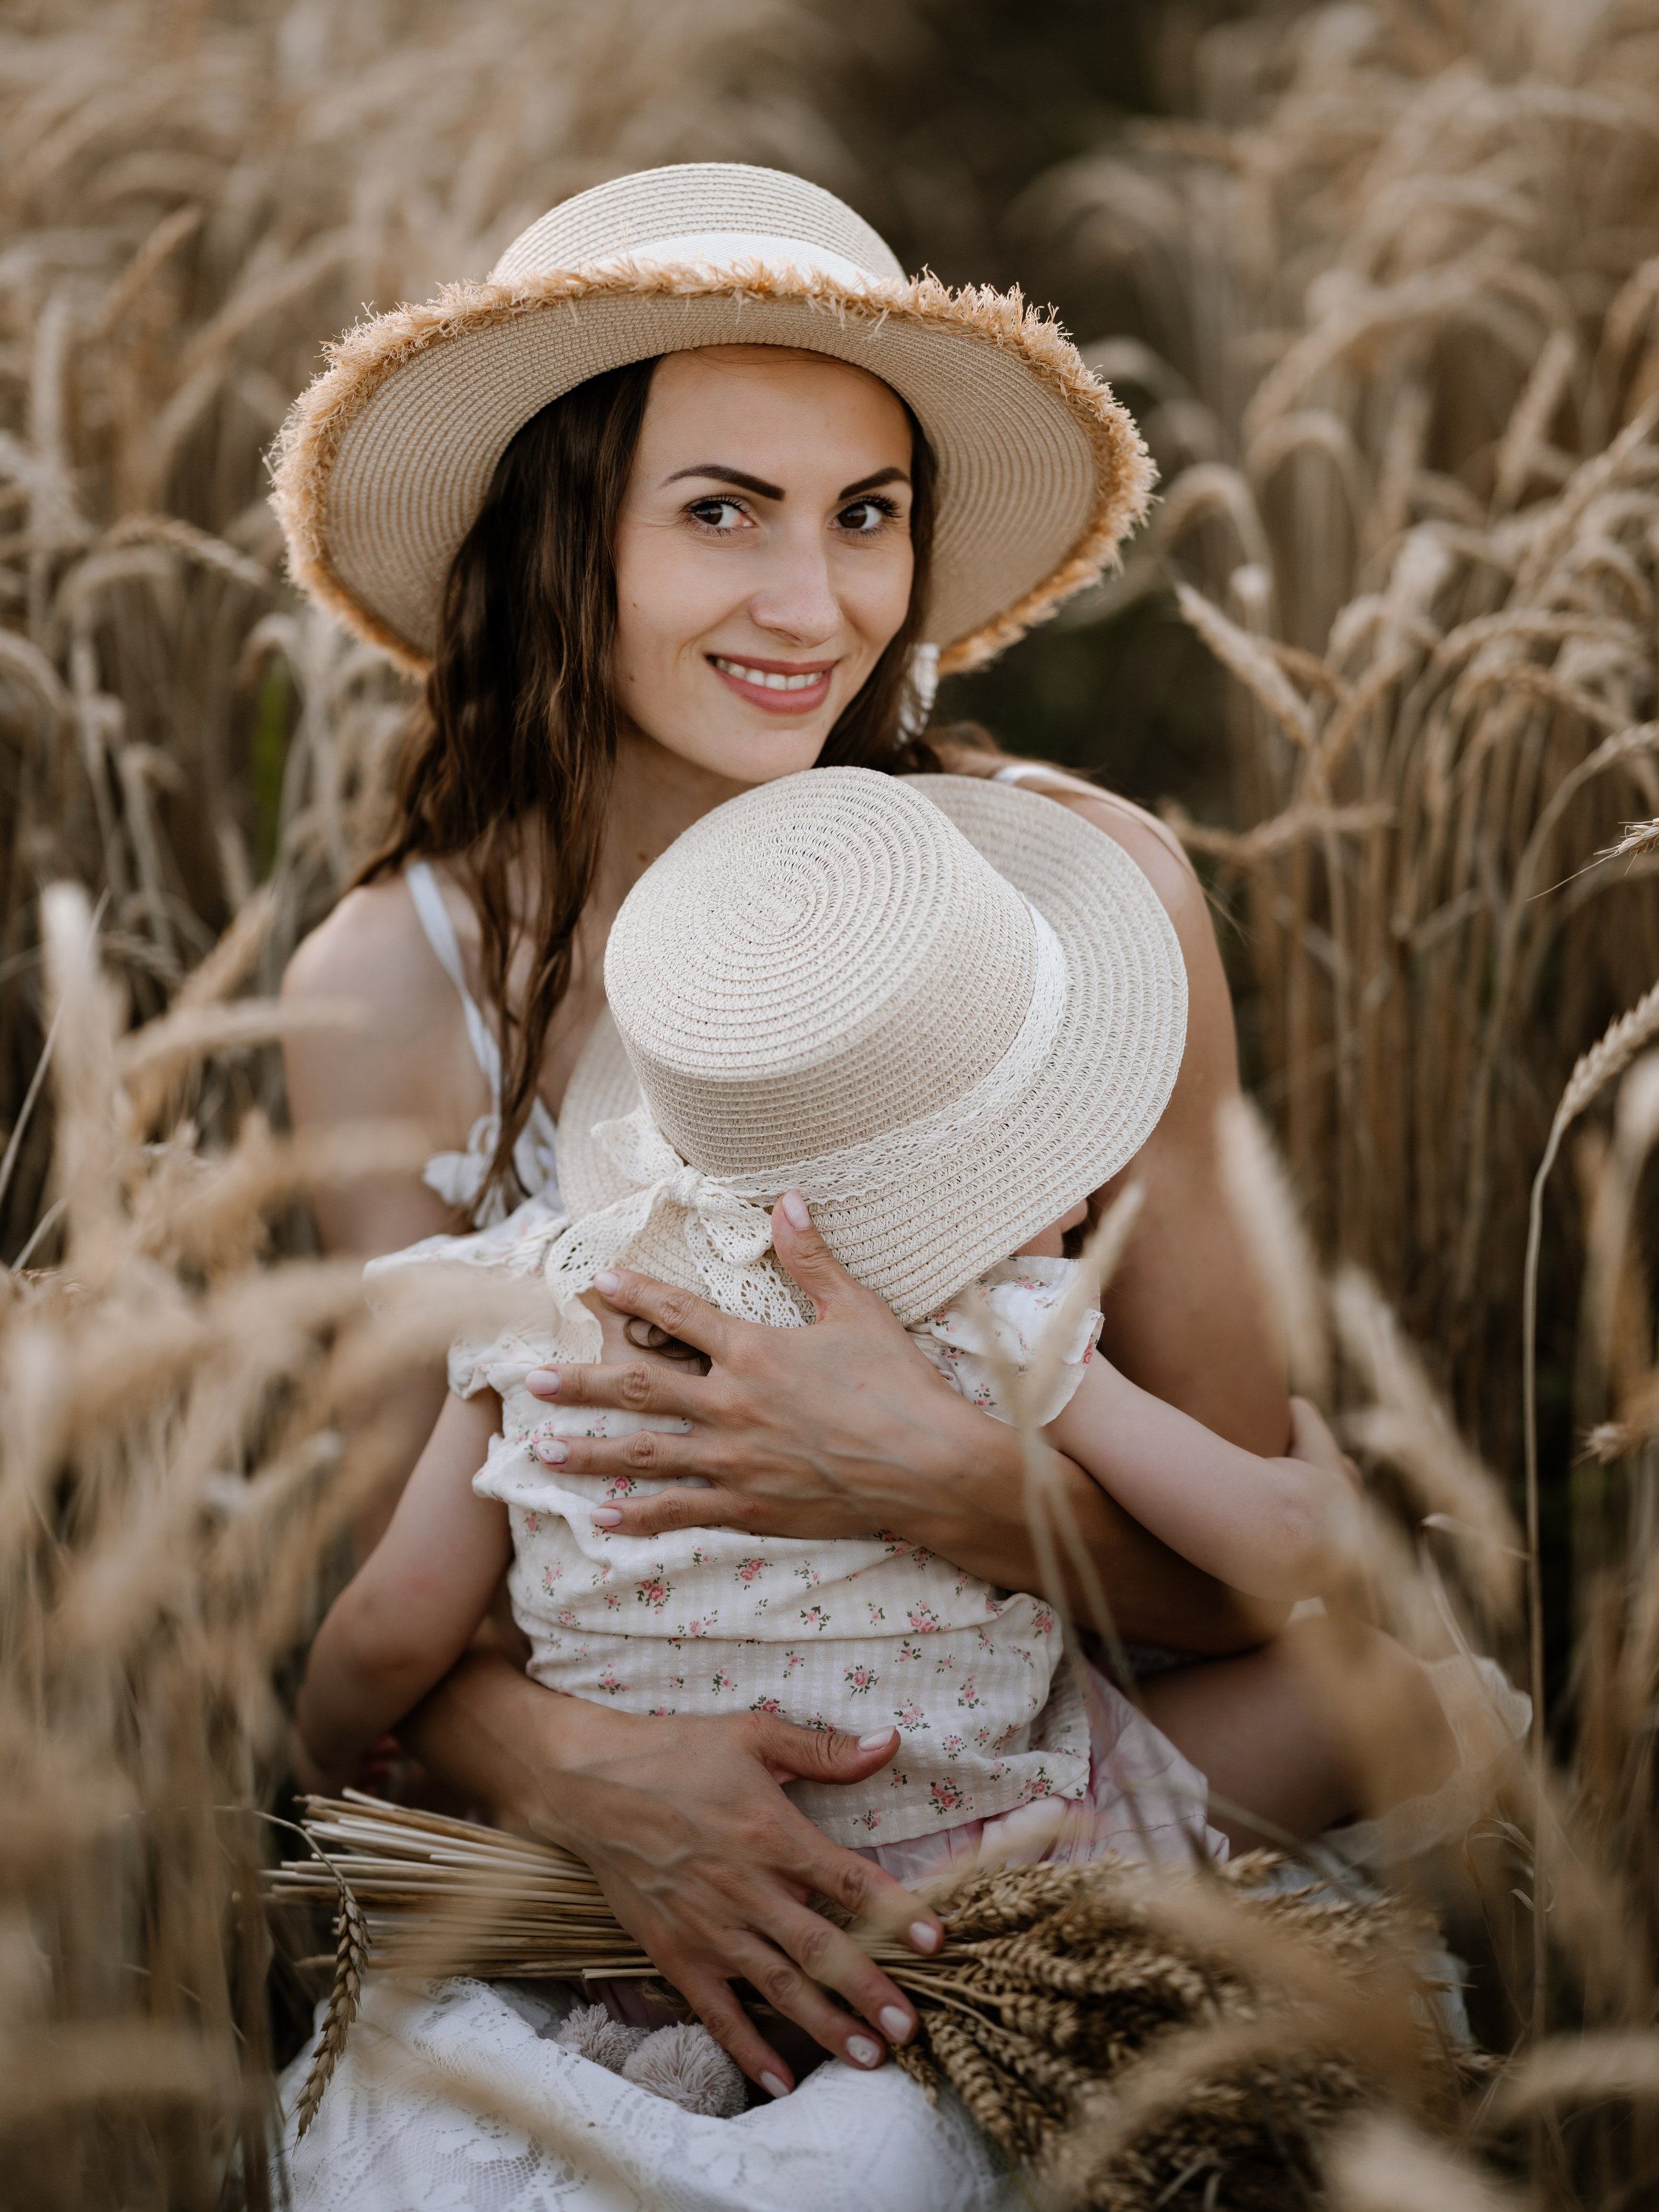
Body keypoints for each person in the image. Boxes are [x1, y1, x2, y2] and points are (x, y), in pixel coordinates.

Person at [274, 167, 1444, 2178]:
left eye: (866, 513)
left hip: (1038, 1794)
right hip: (622, 1873)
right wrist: (592, 1766)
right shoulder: (396, 984)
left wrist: (949, 1483)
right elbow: (409, 1630)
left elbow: (1258, 1600)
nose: (813, 607)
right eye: (720, 508)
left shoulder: (1070, 917)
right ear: (561, 539)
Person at [294, 770, 1391, 1938]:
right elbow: (1275, 1552)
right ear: (969, 1193)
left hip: (632, 1925)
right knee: (1388, 1696)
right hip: (980, 1883)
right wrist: (1324, 1486)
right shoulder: (1009, 1326)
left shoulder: (540, 1306)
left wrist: (320, 1770)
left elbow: (395, 1623)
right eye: (1043, 1145)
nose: (1084, 1188)